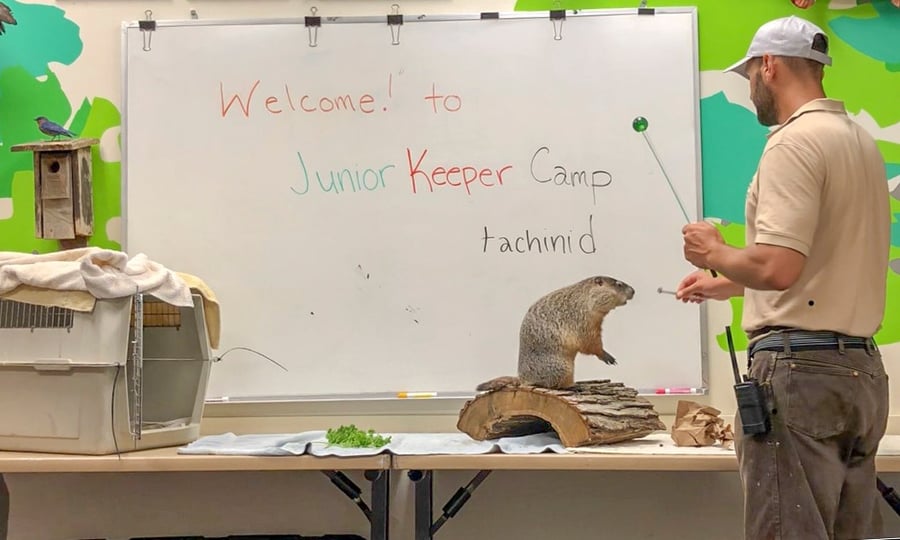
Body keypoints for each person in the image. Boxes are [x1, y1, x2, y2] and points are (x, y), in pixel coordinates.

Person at [675, 15, 892, 540]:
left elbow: (777, 267)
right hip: (861, 375)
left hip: (801, 374)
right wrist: (726, 280)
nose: (750, 87)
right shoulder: (859, 143)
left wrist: (717, 251)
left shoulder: (792, 144)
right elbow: (819, 260)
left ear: (768, 66)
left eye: (750, 72)